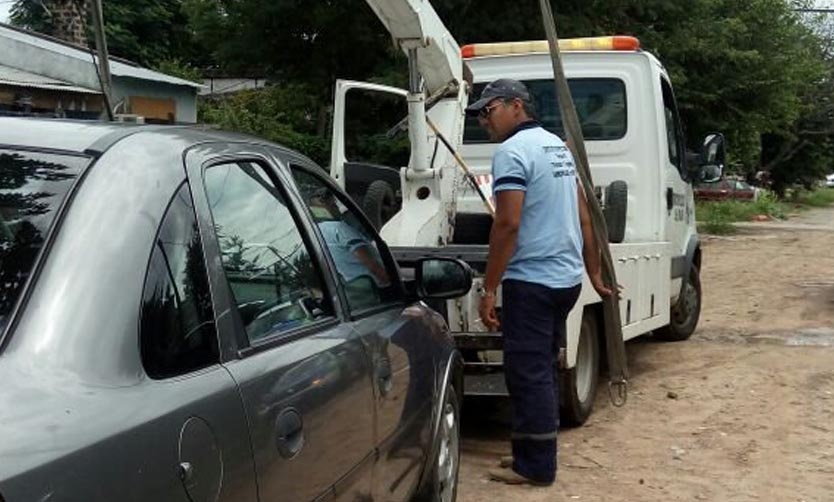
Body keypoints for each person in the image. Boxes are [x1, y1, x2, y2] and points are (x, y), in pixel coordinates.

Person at [466, 79, 612, 486]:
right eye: (479, 113)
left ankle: (537, 467)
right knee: (540, 368)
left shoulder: (512, 153)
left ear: (516, 106)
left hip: (532, 280)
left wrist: (489, 288)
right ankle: (526, 452)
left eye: (488, 110)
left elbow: (508, 223)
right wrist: (593, 272)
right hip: (564, 280)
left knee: (528, 373)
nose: (483, 120)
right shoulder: (556, 147)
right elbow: (585, 217)